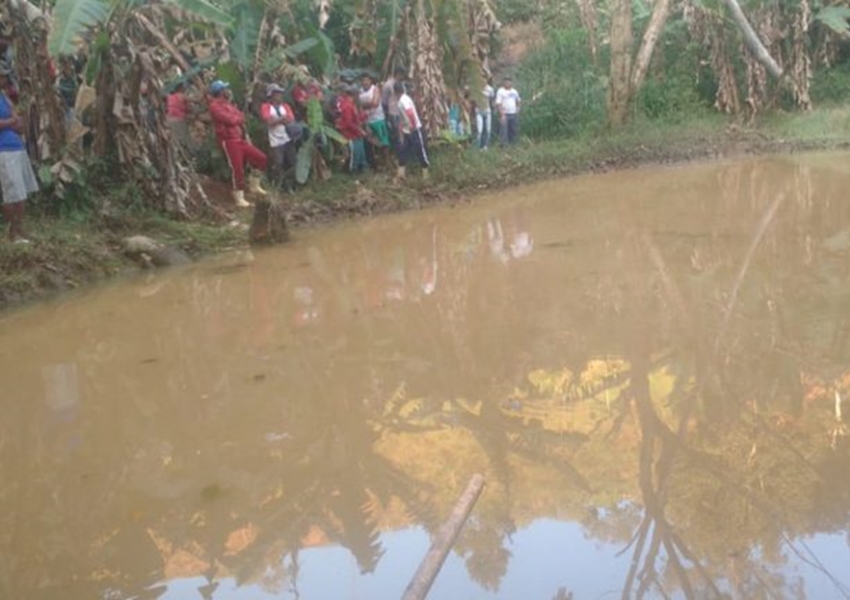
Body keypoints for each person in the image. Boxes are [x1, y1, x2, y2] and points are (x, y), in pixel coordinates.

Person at [207, 79, 268, 207]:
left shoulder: (229, 104)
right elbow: (231, 120)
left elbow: (240, 117)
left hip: (239, 139)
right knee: (237, 169)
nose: (228, 91)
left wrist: (237, 118)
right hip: (228, 141)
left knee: (261, 158)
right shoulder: (214, 106)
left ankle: (254, 185)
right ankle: (239, 197)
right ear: (220, 92)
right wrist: (237, 118)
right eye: (225, 89)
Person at [0, 65, 38, 243]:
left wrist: (12, 122)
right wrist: (11, 122)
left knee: (21, 192)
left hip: (17, 147)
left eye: (4, 77)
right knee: (11, 192)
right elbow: (11, 121)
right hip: (4, 150)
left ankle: (20, 230)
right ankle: (12, 234)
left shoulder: (5, 97)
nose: (3, 80)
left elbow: (19, 123)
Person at [259, 83, 296, 192]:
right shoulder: (266, 107)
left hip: (287, 138)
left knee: (291, 162)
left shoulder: (285, 106)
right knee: (278, 164)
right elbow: (268, 121)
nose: (280, 95)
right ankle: (278, 186)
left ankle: (289, 186)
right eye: (278, 93)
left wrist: (277, 119)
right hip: (275, 140)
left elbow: (291, 119)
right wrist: (282, 119)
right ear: (272, 95)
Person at [392, 81, 429, 181]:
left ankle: (425, 174)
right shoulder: (403, 100)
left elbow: (410, 113)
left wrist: (412, 124)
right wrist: (402, 125)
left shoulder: (403, 100)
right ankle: (401, 174)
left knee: (420, 150)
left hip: (414, 129)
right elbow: (405, 114)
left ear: (395, 92)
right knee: (403, 151)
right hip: (407, 130)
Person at [359, 72, 390, 168]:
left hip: (378, 119)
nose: (365, 82)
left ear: (370, 81)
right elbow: (358, 105)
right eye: (363, 80)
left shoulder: (375, 89)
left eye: (367, 80)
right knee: (370, 143)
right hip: (367, 120)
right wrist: (368, 104)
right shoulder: (360, 91)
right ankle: (375, 164)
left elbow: (375, 103)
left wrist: (363, 105)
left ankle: (387, 162)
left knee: (383, 143)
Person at [335, 85, 368, 173]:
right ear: (354, 95)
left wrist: (363, 117)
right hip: (350, 134)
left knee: (360, 151)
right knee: (354, 153)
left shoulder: (349, 104)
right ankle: (352, 170)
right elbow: (349, 123)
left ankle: (360, 168)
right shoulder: (347, 106)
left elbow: (355, 119)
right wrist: (359, 130)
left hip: (355, 132)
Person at [382, 67, 406, 145]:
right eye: (401, 75)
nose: (402, 77)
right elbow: (384, 101)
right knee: (398, 134)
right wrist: (387, 115)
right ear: (398, 74)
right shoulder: (388, 85)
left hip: (401, 111)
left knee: (403, 132)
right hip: (394, 113)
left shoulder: (401, 83)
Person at [165, 81, 193, 150]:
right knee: (185, 138)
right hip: (178, 119)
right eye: (183, 86)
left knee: (176, 139)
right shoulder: (181, 95)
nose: (184, 88)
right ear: (180, 88)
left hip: (169, 120)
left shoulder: (169, 97)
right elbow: (197, 100)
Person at [495, 76, 521, 145]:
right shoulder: (500, 91)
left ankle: (513, 144)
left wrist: (518, 109)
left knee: (513, 130)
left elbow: (518, 100)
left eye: (509, 81)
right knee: (504, 131)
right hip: (505, 114)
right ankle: (504, 145)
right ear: (503, 83)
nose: (507, 83)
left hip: (513, 113)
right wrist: (502, 114)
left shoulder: (514, 91)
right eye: (506, 81)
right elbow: (498, 103)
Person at [57, 58, 78, 130]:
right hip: (64, 107)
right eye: (65, 67)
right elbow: (58, 91)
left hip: (72, 106)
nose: (66, 69)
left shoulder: (73, 80)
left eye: (67, 67)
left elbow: (75, 91)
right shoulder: (61, 80)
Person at [476, 77, 495, 149]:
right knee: (479, 130)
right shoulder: (476, 88)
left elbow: (491, 99)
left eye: (484, 80)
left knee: (488, 130)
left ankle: (486, 146)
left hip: (487, 111)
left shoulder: (490, 89)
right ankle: (478, 146)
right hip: (479, 111)